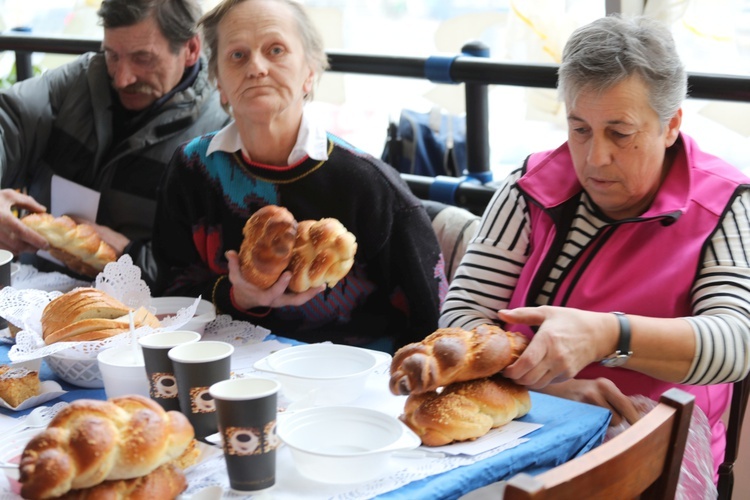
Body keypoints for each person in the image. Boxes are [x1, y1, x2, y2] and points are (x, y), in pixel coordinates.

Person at [440, 14, 750, 477]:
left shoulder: (723, 203)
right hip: (524, 418)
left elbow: (735, 344)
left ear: (671, 126)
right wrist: (543, 393)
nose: (593, 157)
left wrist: (608, 336)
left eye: (620, 134)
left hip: (652, 443)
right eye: (579, 128)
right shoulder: (532, 186)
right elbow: (460, 320)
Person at [151, 0, 446, 352]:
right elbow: (169, 293)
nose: (257, 67)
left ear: (310, 71)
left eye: (275, 50)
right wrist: (238, 296)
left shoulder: (371, 188)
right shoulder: (191, 169)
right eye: (237, 55)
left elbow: (434, 327)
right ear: (218, 81)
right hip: (225, 373)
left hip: (350, 381)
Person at [0, 0, 228, 284]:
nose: (122, 79)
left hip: (147, 315)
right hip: (31, 291)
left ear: (191, 49)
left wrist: (131, 257)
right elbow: (8, 120)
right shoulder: (76, 83)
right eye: (112, 55)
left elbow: (213, 274)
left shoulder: (221, 133)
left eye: (142, 58)